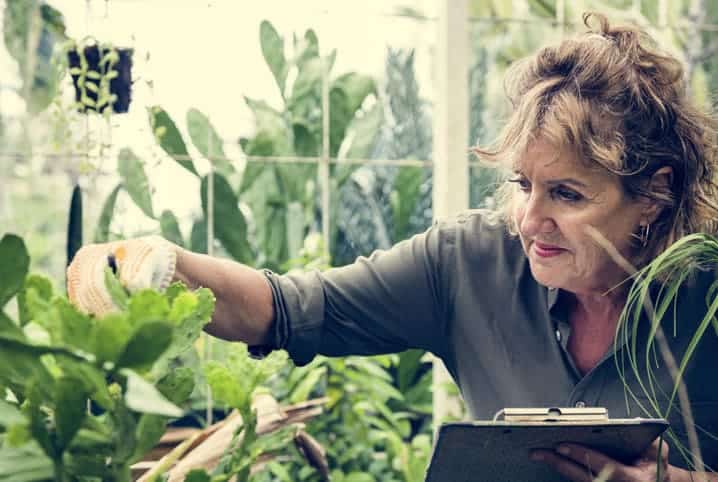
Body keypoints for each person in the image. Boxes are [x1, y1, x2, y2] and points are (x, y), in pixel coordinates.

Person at [67, 12, 718, 481]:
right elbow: (286, 307)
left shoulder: (707, 296)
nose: (529, 220)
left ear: (654, 195)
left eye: (568, 195)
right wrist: (160, 265)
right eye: (523, 184)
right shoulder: (468, 263)